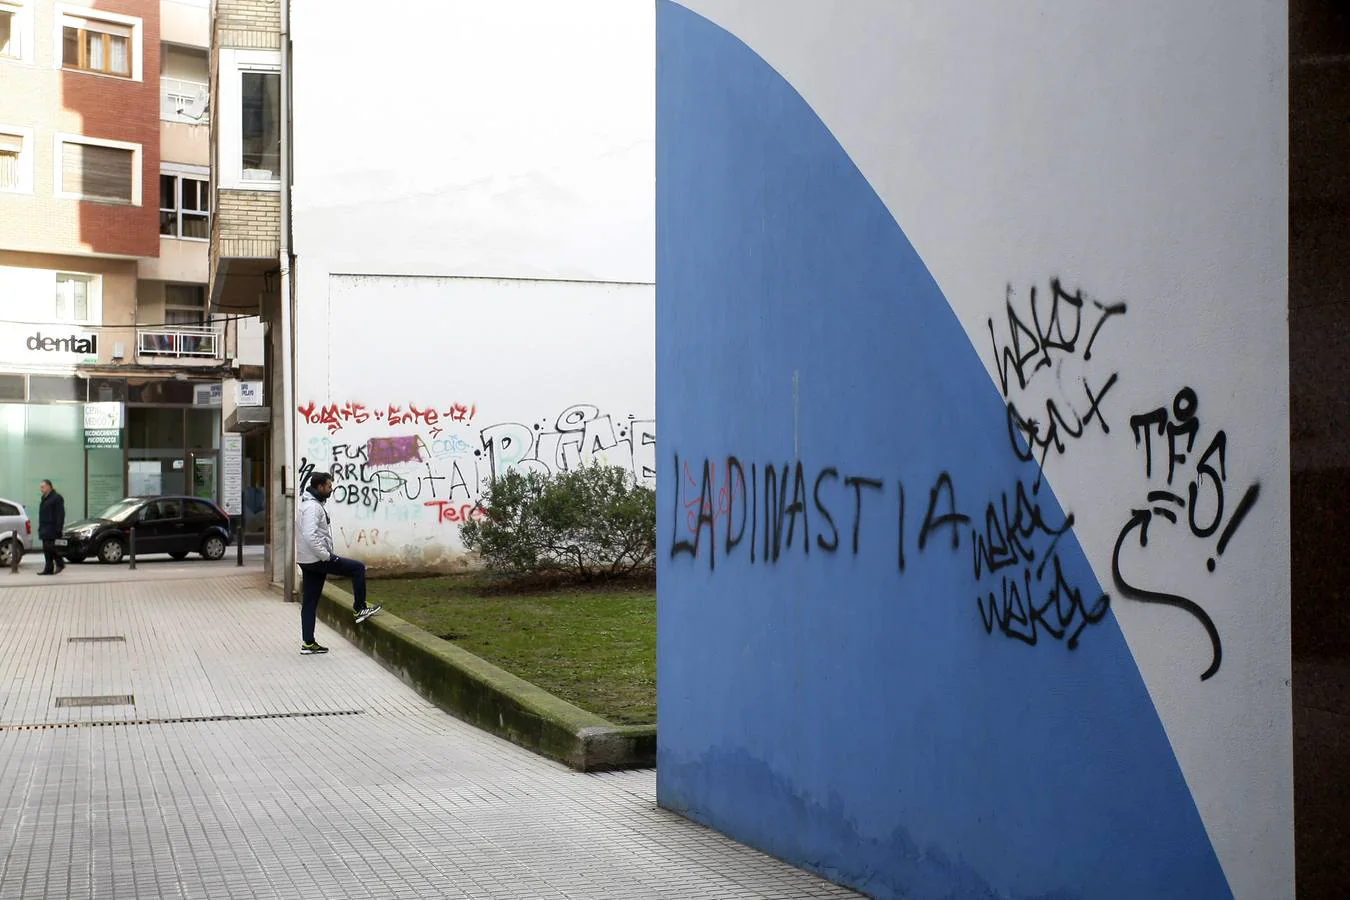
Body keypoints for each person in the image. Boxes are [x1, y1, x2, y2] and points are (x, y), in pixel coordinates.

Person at [295, 472, 380, 654]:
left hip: (307, 560)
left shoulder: (308, 504)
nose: (331, 489)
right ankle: (359, 609)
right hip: (318, 560)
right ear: (319, 487)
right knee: (357, 568)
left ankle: (308, 644)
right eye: (328, 486)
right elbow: (309, 536)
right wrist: (327, 556)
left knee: (310, 602)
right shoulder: (313, 507)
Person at [37, 479, 65, 576]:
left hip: (52, 527)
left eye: (43, 487)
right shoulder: (44, 498)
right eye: (41, 487)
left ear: (49, 486)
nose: (41, 489)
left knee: (51, 547)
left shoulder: (56, 498)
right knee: (46, 549)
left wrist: (59, 528)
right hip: (44, 527)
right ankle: (48, 569)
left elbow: (60, 514)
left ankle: (60, 563)